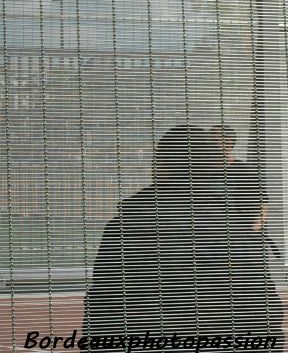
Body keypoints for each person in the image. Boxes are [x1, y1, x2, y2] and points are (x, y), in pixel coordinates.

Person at [83, 124, 282, 351]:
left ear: (161, 165)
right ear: (212, 167)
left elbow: (104, 309)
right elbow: (264, 313)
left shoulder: (128, 226)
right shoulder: (239, 234)